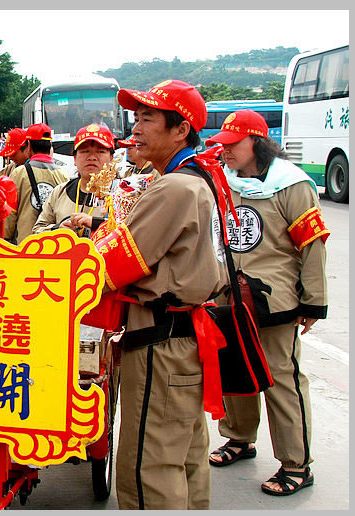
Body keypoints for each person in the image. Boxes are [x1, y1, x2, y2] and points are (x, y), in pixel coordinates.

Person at [94, 79, 229, 509]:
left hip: (160, 341)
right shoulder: (200, 179)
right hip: (184, 336)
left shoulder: (173, 188)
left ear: (181, 130)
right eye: (136, 117)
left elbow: (111, 268)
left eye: (148, 117)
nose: (136, 127)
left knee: (147, 467)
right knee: (184, 457)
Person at [204, 109, 327, 496]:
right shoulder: (223, 180)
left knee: (281, 380)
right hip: (229, 295)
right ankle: (239, 438)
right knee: (234, 370)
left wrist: (313, 302)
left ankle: (296, 463)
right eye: (221, 146)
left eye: (232, 145)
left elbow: (312, 245)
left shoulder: (293, 186)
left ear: (256, 142)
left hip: (274, 301)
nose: (225, 153)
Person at [33, 124, 115, 237]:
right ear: (75, 158)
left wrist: (95, 223)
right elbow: (37, 229)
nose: (92, 157)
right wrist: (57, 229)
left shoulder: (121, 193)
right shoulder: (60, 192)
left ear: (111, 158)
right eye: (85, 151)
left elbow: (130, 231)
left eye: (100, 151)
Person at [3, 123, 67, 244]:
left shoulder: (19, 173)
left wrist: (5, 238)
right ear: (50, 146)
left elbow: (10, 213)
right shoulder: (63, 175)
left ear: (29, 146)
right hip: (52, 245)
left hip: (25, 245)